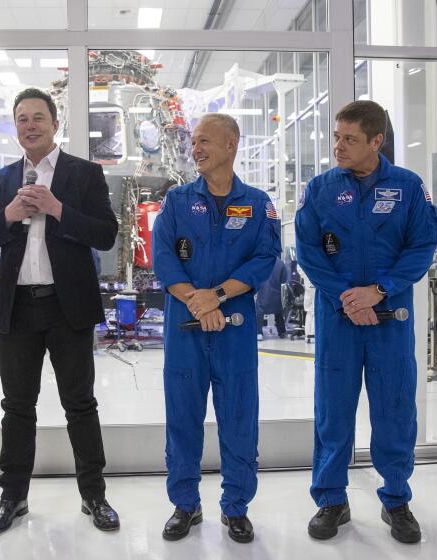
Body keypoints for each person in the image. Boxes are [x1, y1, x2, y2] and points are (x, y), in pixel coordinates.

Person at [0, 88, 120, 533]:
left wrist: (57, 209)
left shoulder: (85, 174)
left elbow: (106, 234)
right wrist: (12, 213)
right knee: (17, 407)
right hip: (17, 310)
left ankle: (94, 495)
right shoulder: (0, 182)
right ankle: (13, 497)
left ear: (55, 124)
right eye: (22, 119)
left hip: (67, 307)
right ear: (15, 127)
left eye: (38, 117)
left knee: (80, 404)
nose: (30, 125)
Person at [295, 100, 437, 544]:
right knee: (332, 412)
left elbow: (421, 247)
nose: (338, 146)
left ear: (376, 141)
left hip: (390, 319)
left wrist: (379, 289)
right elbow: (309, 251)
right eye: (336, 137)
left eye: (349, 139)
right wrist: (347, 296)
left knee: (395, 409)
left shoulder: (408, 187)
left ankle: (396, 499)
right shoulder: (321, 189)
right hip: (338, 318)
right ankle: (331, 501)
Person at [151, 113, 281, 544]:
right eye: (194, 142)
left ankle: (236, 507)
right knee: (183, 418)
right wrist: (196, 299)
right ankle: (185, 504)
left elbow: (265, 259)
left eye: (205, 140)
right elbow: (164, 258)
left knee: (239, 417)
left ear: (232, 145)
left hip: (235, 329)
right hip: (185, 328)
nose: (196, 149)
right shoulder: (177, 201)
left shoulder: (259, 204)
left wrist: (218, 296)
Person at [255, 257, 288, 339]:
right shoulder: (281, 264)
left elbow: (255, 278)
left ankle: (259, 333)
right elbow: (284, 280)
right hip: (276, 295)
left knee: (259, 312)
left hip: (263, 294)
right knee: (278, 313)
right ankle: (282, 332)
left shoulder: (261, 263)